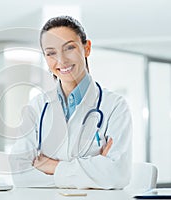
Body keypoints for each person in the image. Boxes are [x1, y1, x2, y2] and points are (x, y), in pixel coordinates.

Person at [9, 15, 133, 189]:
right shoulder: (36, 107)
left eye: (69, 48)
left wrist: (53, 167)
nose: (61, 60)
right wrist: (94, 173)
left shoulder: (115, 106)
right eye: (51, 53)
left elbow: (117, 174)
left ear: (86, 48)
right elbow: (20, 174)